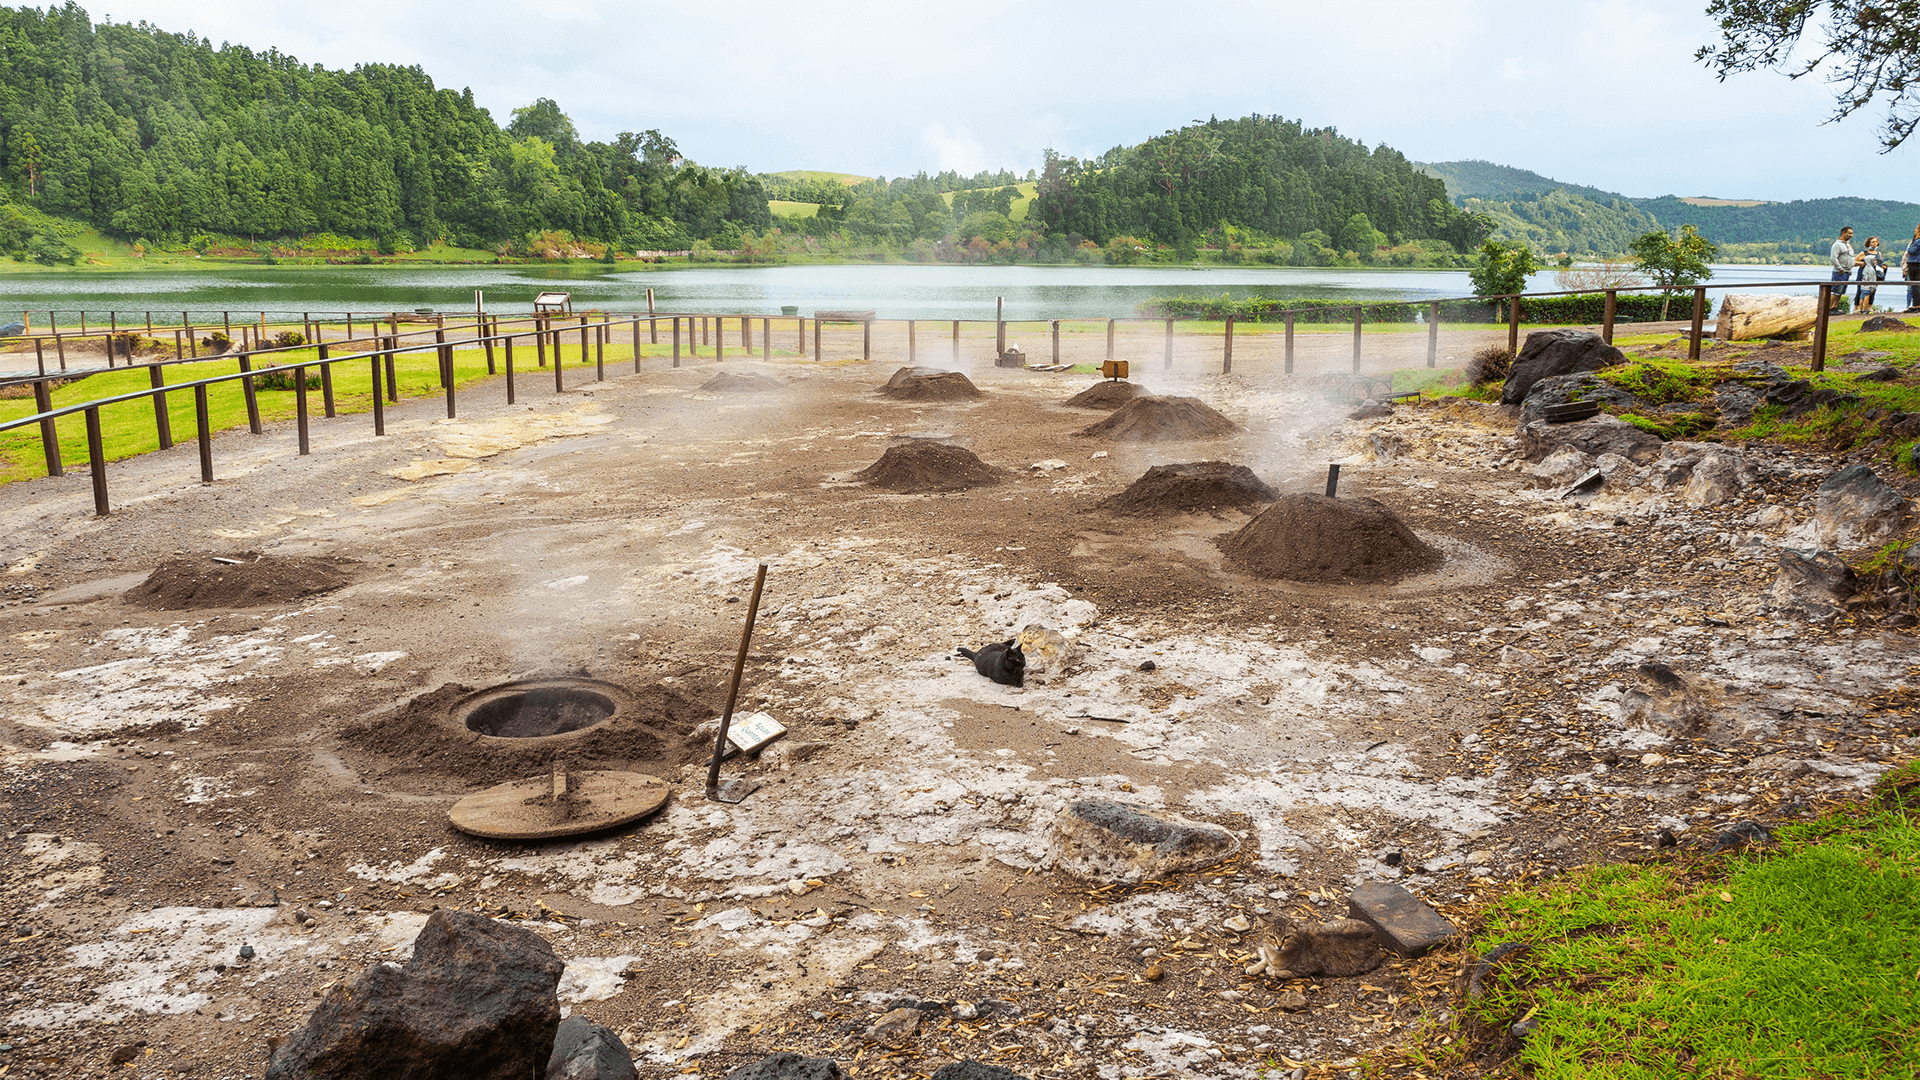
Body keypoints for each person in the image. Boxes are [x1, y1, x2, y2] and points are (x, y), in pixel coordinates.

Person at [1830, 226, 1859, 312]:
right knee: (1835, 290)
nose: (1851, 235)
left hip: (1846, 272)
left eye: (1852, 233)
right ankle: (1829, 308)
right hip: (1839, 272)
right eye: (1849, 233)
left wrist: (1849, 269)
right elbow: (1833, 258)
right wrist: (1839, 268)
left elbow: (1849, 257)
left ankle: (1835, 307)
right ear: (1843, 233)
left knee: (1841, 291)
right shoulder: (1837, 245)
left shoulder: (1848, 244)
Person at [1857, 236, 1886, 313]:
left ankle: (1869, 307)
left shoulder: (1878, 253)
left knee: (1873, 290)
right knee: (1861, 291)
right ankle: (1857, 308)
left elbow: (1879, 263)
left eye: (1876, 242)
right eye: (1872, 242)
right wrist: (1862, 263)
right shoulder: (1864, 253)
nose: (1874, 243)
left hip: (1875, 274)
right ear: (1868, 243)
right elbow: (1854, 262)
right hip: (1864, 274)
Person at [1905, 224, 1920, 312]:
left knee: (1915, 284)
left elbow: (1911, 250)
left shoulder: (1918, 241)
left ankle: (1916, 305)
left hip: (1915, 263)